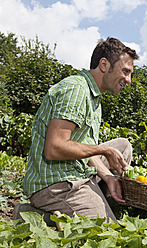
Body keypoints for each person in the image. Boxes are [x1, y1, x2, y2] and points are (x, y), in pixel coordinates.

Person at [21, 37, 139, 223]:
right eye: (125, 72)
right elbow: (55, 148)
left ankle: (94, 204)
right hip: (56, 184)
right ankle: (32, 217)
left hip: (76, 171)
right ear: (104, 64)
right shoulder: (76, 90)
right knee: (109, 233)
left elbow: (85, 149)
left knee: (122, 147)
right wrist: (104, 150)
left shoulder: (94, 98)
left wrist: (108, 177)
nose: (128, 80)